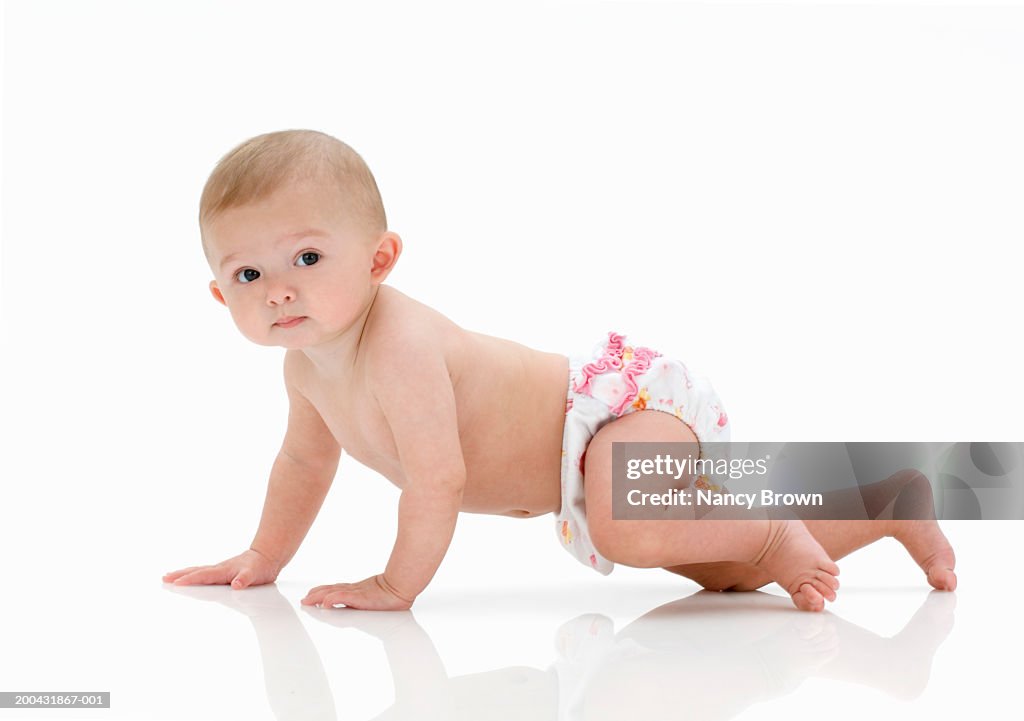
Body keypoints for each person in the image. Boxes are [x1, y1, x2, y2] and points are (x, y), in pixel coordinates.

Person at [162, 130, 957, 612]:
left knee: (633, 526)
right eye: (248, 275)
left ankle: (779, 528)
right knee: (728, 576)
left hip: (617, 411)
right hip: (593, 459)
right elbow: (303, 463)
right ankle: (887, 503)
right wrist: (263, 558)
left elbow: (436, 479)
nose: (280, 289)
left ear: (380, 258)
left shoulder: (399, 345)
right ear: (215, 293)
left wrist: (395, 585)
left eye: (305, 256)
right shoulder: (307, 370)